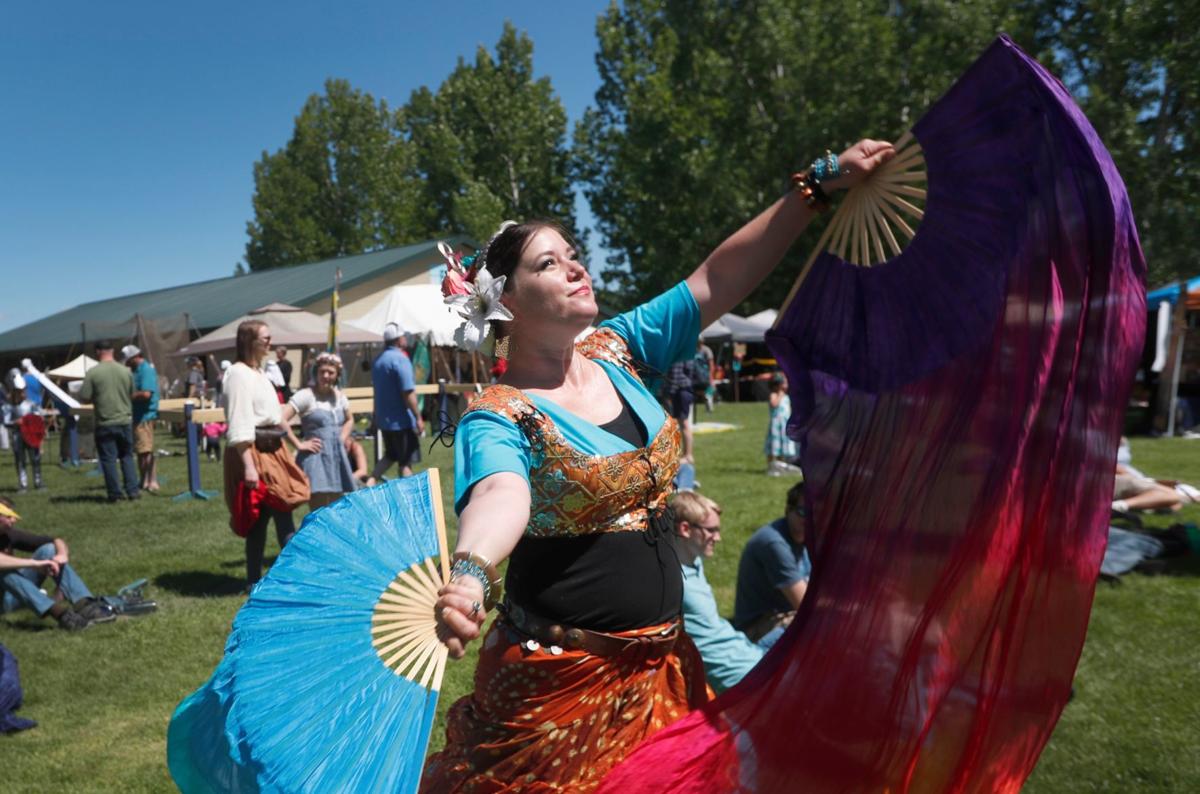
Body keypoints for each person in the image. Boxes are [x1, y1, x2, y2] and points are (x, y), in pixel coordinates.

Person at [422, 136, 891, 793]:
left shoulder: (617, 350)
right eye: (549, 263)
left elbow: (714, 281)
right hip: (560, 688)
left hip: (664, 668)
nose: (576, 268)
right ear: (509, 304)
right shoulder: (498, 414)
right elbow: (501, 493)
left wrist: (817, 185)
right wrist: (472, 573)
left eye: (574, 255)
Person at [222, 321, 307, 586]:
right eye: (265, 338)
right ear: (250, 341)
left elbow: (276, 416)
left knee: (280, 510)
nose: (270, 343)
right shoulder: (238, 374)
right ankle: (273, 581)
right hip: (254, 452)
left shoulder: (259, 373)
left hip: (272, 450)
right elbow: (239, 422)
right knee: (261, 518)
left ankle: (283, 580)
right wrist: (249, 465)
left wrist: (294, 445)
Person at [671, 490, 764, 694]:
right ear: (685, 529)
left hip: (745, 650)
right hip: (734, 673)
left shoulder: (694, 560)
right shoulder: (671, 579)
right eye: (711, 530)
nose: (718, 538)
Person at [0, 497, 115, 631]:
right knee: (3, 570)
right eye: (8, 516)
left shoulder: (7, 534)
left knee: (48, 549)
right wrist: (34, 564)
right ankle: (60, 614)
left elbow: (55, 540)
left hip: (14, 594)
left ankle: (85, 605)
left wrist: (61, 554)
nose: (14, 520)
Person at [734, 481, 813, 650]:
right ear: (788, 510)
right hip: (758, 628)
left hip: (786, 614)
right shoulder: (774, 543)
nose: (810, 520)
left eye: (816, 513)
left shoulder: (810, 537)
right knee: (819, 626)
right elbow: (806, 605)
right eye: (803, 512)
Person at [282, 352, 358, 512]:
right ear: (316, 372)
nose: (325, 376)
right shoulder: (306, 396)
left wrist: (342, 437)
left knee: (339, 508)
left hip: (337, 458)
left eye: (331, 372)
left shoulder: (339, 397)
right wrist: (299, 444)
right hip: (316, 459)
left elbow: (350, 419)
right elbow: (280, 419)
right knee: (319, 510)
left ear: (337, 375)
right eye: (322, 371)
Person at [79, 340, 139, 502]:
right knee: (127, 456)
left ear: (98, 352)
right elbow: (133, 394)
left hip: (104, 422)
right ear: (113, 350)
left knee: (108, 459)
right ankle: (133, 491)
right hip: (125, 420)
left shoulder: (93, 373)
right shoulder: (126, 371)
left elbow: (84, 397)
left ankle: (115, 494)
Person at [370, 324, 424, 482]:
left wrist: (375, 417)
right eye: (403, 336)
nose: (405, 339)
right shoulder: (401, 359)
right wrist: (418, 417)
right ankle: (407, 492)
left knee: (390, 455)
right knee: (405, 461)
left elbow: (377, 393)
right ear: (398, 340)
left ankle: (369, 482)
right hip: (401, 421)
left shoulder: (378, 361)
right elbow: (408, 392)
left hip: (384, 420)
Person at [122, 345, 160, 493]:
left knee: (146, 450)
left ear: (135, 357)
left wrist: (127, 396)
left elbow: (146, 394)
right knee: (141, 450)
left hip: (146, 415)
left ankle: (152, 481)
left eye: (128, 360)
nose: (126, 363)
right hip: (138, 415)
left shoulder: (146, 370)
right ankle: (144, 480)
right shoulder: (136, 370)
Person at [2, 373, 44, 492]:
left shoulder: (31, 404)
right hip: (18, 436)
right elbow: (6, 421)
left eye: (23, 391)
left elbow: (38, 417)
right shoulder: (9, 406)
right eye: (20, 392)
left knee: (35, 459)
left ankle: (38, 482)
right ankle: (23, 483)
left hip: (31, 435)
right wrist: (16, 422)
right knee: (20, 461)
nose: (23, 394)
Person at [764, 371, 801, 476]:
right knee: (774, 447)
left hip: (785, 425)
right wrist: (780, 395)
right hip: (776, 426)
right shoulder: (774, 395)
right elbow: (774, 404)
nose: (787, 384)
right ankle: (770, 465)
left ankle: (780, 466)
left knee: (783, 447)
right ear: (778, 385)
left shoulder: (786, 396)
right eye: (784, 382)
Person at [665, 354, 698, 464]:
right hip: (685, 390)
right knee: (683, 424)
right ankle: (685, 454)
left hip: (679, 391)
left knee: (684, 424)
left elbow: (675, 376)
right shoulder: (688, 353)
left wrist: (669, 393)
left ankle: (688, 455)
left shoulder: (678, 354)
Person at [696, 339, 716, 413]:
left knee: (708, 393)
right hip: (696, 375)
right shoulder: (694, 350)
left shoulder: (707, 350)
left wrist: (711, 377)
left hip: (705, 375)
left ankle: (709, 408)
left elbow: (711, 365)